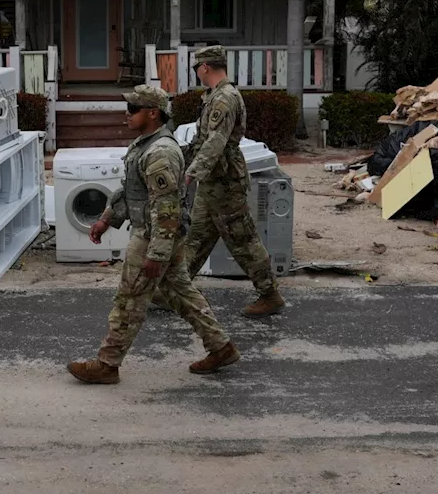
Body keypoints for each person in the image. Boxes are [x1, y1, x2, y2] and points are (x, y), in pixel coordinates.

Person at [67, 84, 240, 384]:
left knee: (129, 300)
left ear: (152, 113)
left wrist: (156, 253)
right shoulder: (145, 144)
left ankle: (107, 364)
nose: (127, 115)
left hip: (153, 236)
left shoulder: (160, 151)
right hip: (160, 235)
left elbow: (167, 207)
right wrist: (107, 218)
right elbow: (133, 191)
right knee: (181, 294)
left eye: (133, 110)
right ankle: (220, 346)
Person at [181, 46, 285, 317]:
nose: (197, 73)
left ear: (205, 67)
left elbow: (215, 142)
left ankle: (269, 294)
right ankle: (175, 289)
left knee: (242, 238)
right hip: (214, 180)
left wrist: (192, 172)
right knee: (197, 236)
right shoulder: (215, 96)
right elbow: (202, 139)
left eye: (197, 68)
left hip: (225, 180)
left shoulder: (224, 98)